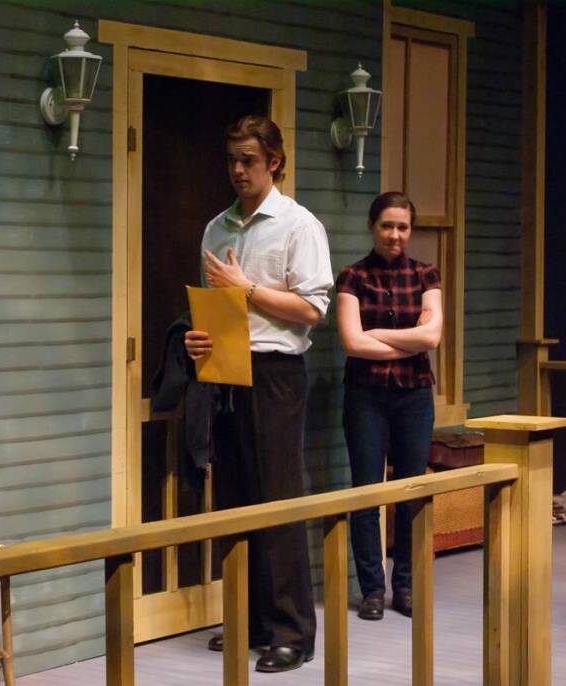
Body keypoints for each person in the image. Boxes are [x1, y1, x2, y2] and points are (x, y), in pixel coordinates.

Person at [184, 115, 333, 673]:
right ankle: (247, 619)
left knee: (278, 499)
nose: (238, 170)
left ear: (274, 161)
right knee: (236, 499)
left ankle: (293, 631)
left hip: (275, 374)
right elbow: (215, 303)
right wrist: (200, 338)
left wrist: (247, 290)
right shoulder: (216, 228)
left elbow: (312, 308)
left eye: (248, 159)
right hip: (225, 367)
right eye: (231, 160)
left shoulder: (298, 225)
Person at [334, 191, 443, 621]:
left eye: (402, 226)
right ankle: (372, 590)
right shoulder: (353, 277)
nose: (395, 234)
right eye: (387, 225)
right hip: (366, 396)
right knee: (367, 491)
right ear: (372, 226)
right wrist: (405, 339)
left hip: (414, 395)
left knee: (412, 492)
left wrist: (375, 334)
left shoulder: (425, 273)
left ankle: (407, 586)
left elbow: (431, 338)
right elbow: (351, 342)